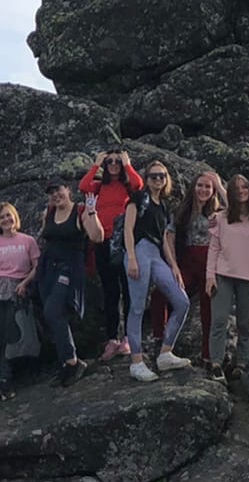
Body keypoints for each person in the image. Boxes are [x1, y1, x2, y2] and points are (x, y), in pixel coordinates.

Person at [123, 160, 194, 383]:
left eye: (162, 176)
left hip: (155, 254)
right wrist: (132, 257)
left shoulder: (162, 206)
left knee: (182, 302)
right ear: (146, 178)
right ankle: (136, 362)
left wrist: (174, 266)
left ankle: (165, 353)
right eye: (153, 176)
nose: (158, 180)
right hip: (139, 251)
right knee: (136, 307)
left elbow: (164, 238)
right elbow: (128, 228)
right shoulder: (137, 198)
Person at [38, 179, 103, 387]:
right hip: (48, 269)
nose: (55, 195)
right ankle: (65, 363)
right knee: (52, 314)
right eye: (51, 193)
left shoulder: (80, 211)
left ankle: (74, 362)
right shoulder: (48, 213)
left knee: (53, 311)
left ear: (68, 190)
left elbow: (97, 236)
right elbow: (45, 240)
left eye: (58, 190)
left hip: (69, 269)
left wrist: (92, 213)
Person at [79, 150, 144, 360]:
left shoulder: (126, 186)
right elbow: (83, 187)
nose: (114, 164)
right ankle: (111, 339)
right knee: (110, 292)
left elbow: (138, 185)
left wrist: (128, 165)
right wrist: (95, 165)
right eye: (110, 161)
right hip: (102, 242)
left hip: (123, 242)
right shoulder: (98, 187)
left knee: (127, 290)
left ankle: (127, 338)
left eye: (117, 161)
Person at [206, 173, 249, 378]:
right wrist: (210, 276)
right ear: (230, 193)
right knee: (219, 321)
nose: (241, 192)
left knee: (245, 325)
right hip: (223, 274)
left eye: (245, 187)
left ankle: (241, 364)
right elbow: (214, 248)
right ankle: (216, 363)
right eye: (236, 189)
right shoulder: (221, 218)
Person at [154, 170, 222, 362]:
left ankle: (208, 357)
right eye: (200, 185)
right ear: (193, 187)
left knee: (208, 311)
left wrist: (219, 184)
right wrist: (173, 266)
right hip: (188, 262)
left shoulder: (218, 214)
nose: (203, 189)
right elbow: (168, 237)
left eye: (208, 187)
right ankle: (161, 341)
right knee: (160, 294)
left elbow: (236, 210)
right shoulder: (181, 211)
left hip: (210, 265)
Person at [0, 203, 39, 402]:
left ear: (15, 216)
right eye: (2, 218)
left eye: (8, 215)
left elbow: (36, 266)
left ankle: (5, 380)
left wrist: (25, 283)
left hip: (18, 288)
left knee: (10, 336)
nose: (6, 220)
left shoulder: (28, 241)